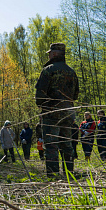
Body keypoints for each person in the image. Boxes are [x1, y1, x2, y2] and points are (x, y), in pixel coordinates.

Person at [35, 43, 79, 177]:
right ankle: (69, 174)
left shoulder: (48, 70)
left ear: (54, 54)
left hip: (51, 113)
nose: (48, 55)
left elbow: (40, 96)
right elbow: (76, 95)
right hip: (68, 114)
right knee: (67, 144)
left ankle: (53, 175)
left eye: (50, 52)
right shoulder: (72, 72)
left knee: (52, 144)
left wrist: (43, 105)